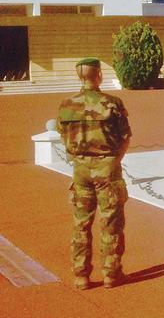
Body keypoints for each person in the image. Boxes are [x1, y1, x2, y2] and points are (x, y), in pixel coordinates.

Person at [56, 57, 131, 290]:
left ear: (80, 76)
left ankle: (81, 276)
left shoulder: (67, 104)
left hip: (80, 170)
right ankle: (111, 274)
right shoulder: (112, 103)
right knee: (111, 223)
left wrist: (79, 157)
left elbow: (63, 136)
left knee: (81, 224)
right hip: (107, 169)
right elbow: (126, 137)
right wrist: (113, 161)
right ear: (98, 74)